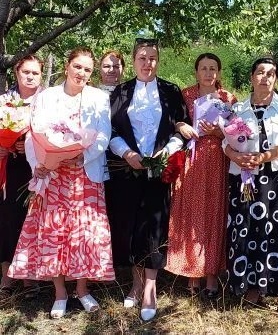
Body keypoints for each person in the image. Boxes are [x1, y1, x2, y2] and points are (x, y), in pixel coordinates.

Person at [8, 47, 114, 318]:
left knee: (85, 233)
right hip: (53, 175)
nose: (82, 73)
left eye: (87, 69)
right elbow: (34, 133)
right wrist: (39, 163)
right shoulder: (47, 96)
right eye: (77, 66)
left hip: (85, 174)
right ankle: (60, 293)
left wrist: (83, 155)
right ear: (67, 66)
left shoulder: (99, 98)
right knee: (54, 232)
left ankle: (82, 289)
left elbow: (103, 134)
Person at [107, 38, 190, 321]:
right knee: (130, 224)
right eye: (142, 58)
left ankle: (150, 288)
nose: (147, 63)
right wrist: (126, 152)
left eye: (152, 58)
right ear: (133, 61)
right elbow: (110, 130)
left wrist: (166, 152)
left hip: (159, 170)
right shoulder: (121, 92)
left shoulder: (170, 91)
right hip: (127, 169)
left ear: (158, 61)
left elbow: (181, 128)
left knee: (155, 226)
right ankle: (136, 282)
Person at [224, 57, 278, 315]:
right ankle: (253, 287)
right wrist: (235, 156)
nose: (265, 77)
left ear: (276, 79)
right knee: (249, 231)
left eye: (271, 73)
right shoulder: (238, 108)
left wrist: (264, 156)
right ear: (252, 77)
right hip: (245, 177)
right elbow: (225, 142)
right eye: (260, 72)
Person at [165, 53, 237, 298]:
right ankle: (192, 273)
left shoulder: (228, 98)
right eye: (203, 68)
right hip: (191, 161)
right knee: (192, 214)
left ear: (219, 72)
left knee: (214, 213)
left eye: (212, 68)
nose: (208, 73)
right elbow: (173, 121)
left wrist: (219, 132)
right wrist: (181, 126)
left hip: (218, 160)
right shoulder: (185, 95)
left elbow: (237, 133)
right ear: (196, 72)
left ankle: (212, 274)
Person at [0, 56, 44, 301]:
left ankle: (30, 276)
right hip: (9, 168)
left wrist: (30, 146)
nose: (30, 77)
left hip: (39, 168)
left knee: (33, 219)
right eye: (26, 72)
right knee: (7, 219)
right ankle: (7, 276)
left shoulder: (48, 100)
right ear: (17, 73)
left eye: (35, 73)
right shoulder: (3, 101)